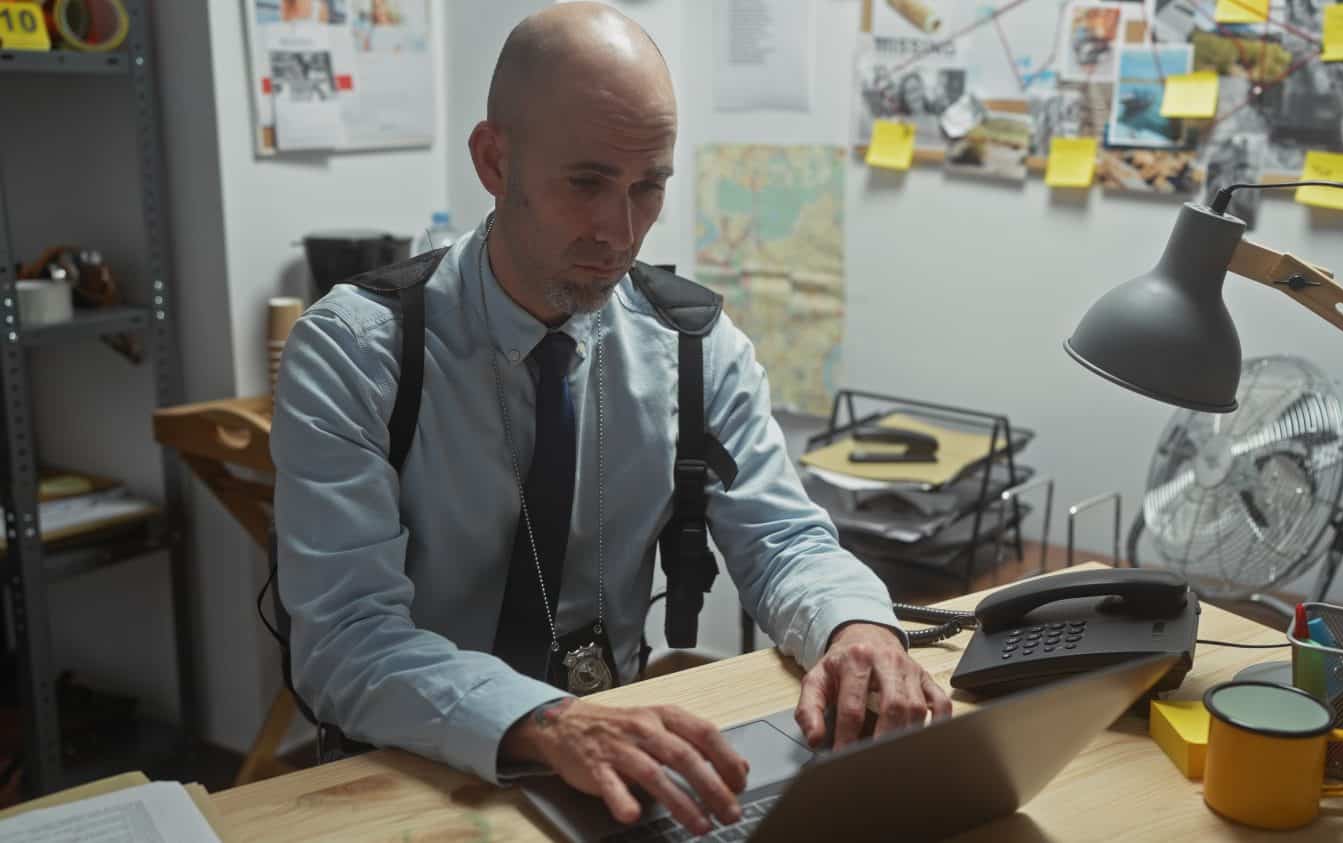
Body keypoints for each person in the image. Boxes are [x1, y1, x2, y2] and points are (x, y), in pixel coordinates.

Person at [271, 2, 951, 837]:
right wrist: (546, 721)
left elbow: (785, 542)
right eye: (586, 183)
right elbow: (345, 640)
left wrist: (858, 627)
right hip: (420, 775)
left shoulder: (693, 347)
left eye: (649, 186)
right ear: (495, 160)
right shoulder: (355, 354)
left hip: (619, 763)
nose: (619, 232)